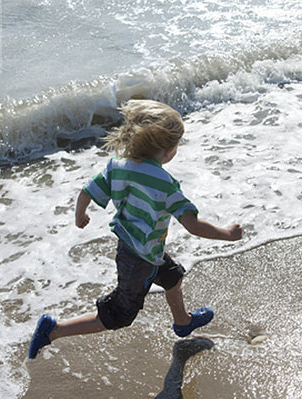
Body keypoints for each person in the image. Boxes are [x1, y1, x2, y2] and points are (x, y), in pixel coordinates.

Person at [28, 100, 242, 359]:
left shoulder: (118, 166)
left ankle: (183, 322)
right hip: (141, 259)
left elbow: (87, 191)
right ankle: (54, 330)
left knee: (172, 276)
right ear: (167, 149)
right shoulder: (165, 183)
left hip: (136, 248)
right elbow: (192, 224)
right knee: (120, 314)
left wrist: (80, 214)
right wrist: (227, 234)